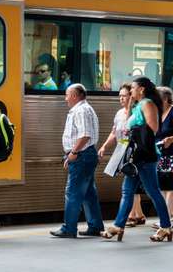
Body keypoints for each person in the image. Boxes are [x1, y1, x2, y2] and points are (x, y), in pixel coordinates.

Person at [101, 76, 172, 242]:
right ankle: (118, 225)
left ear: (142, 89)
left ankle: (166, 226)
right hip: (135, 155)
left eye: (133, 88)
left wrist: (133, 130)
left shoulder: (147, 103)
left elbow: (153, 128)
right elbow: (130, 126)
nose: (130, 91)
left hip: (145, 155)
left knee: (153, 191)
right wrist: (130, 116)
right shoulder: (138, 105)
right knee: (127, 192)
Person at [50, 83, 104, 238]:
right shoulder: (84, 109)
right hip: (85, 154)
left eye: (67, 95)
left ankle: (69, 228)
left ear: (75, 95)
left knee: (72, 192)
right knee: (88, 193)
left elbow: (85, 134)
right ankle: (95, 226)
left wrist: (73, 152)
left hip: (82, 155)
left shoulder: (81, 110)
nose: (65, 98)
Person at [98, 83, 146, 227]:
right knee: (132, 182)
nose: (121, 99)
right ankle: (138, 214)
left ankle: (132, 215)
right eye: (119, 96)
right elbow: (114, 132)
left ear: (131, 96)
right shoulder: (119, 113)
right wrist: (104, 146)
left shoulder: (138, 112)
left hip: (135, 151)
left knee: (132, 183)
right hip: (122, 149)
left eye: (124, 96)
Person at [155, 86, 173, 226]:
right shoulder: (157, 113)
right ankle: (165, 218)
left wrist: (171, 138)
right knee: (161, 186)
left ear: (166, 99)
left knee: (170, 187)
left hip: (171, 155)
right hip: (159, 155)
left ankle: (167, 219)